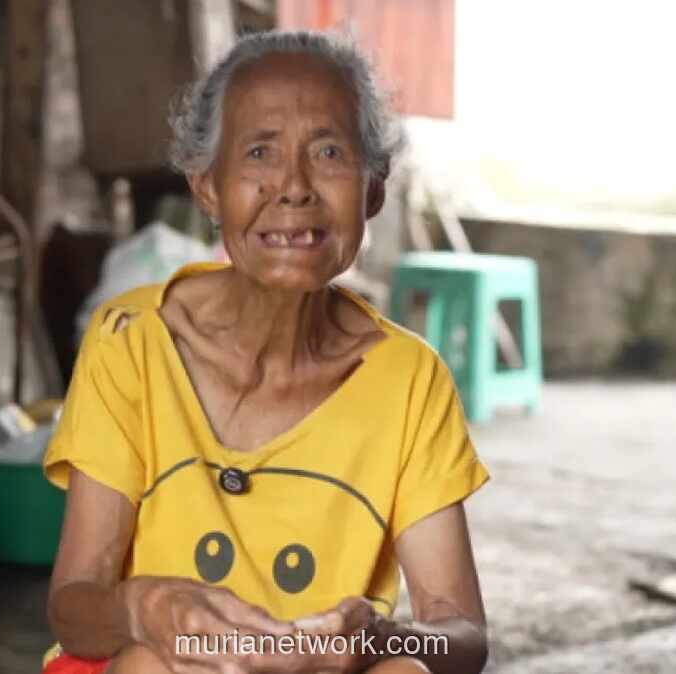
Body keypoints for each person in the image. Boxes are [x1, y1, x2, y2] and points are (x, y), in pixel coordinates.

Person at [42, 30, 490, 674]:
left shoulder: (409, 379)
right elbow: (73, 610)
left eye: (329, 152)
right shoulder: (132, 340)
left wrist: (376, 641)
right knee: (145, 664)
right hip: (172, 661)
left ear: (372, 189)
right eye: (259, 152)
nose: (294, 187)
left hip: (319, 665)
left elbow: (461, 636)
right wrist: (143, 608)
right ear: (208, 188)